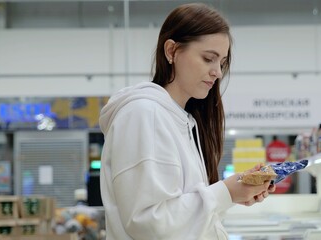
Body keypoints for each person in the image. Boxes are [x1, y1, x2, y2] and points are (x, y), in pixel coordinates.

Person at [99, 3, 275, 239]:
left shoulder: (182, 120)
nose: (218, 72)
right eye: (208, 59)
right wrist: (226, 193)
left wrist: (237, 192)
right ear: (171, 51)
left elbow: (183, 221)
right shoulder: (144, 114)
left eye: (221, 62)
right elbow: (149, 223)